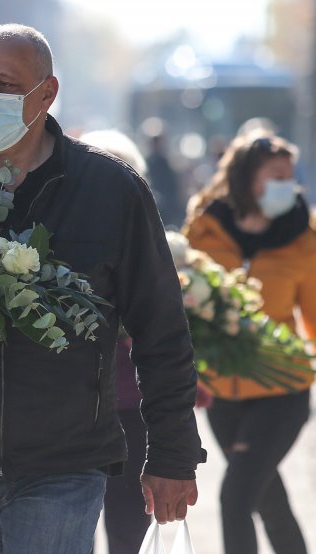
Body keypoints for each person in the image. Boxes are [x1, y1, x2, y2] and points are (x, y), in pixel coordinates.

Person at [0, 24, 205, 554]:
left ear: (47, 92)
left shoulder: (111, 189)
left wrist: (172, 456)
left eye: (4, 85)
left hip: (66, 465)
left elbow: (162, 331)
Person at [183, 133, 314, 554]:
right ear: (245, 178)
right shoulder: (204, 228)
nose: (286, 186)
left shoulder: (303, 236)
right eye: (276, 176)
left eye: (290, 177)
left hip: (283, 386)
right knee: (268, 499)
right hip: (222, 390)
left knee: (236, 497)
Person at [78, 129, 151, 554]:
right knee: (68, 528)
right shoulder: (52, 248)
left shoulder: (155, 253)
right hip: (70, 414)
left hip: (131, 412)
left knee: (127, 530)